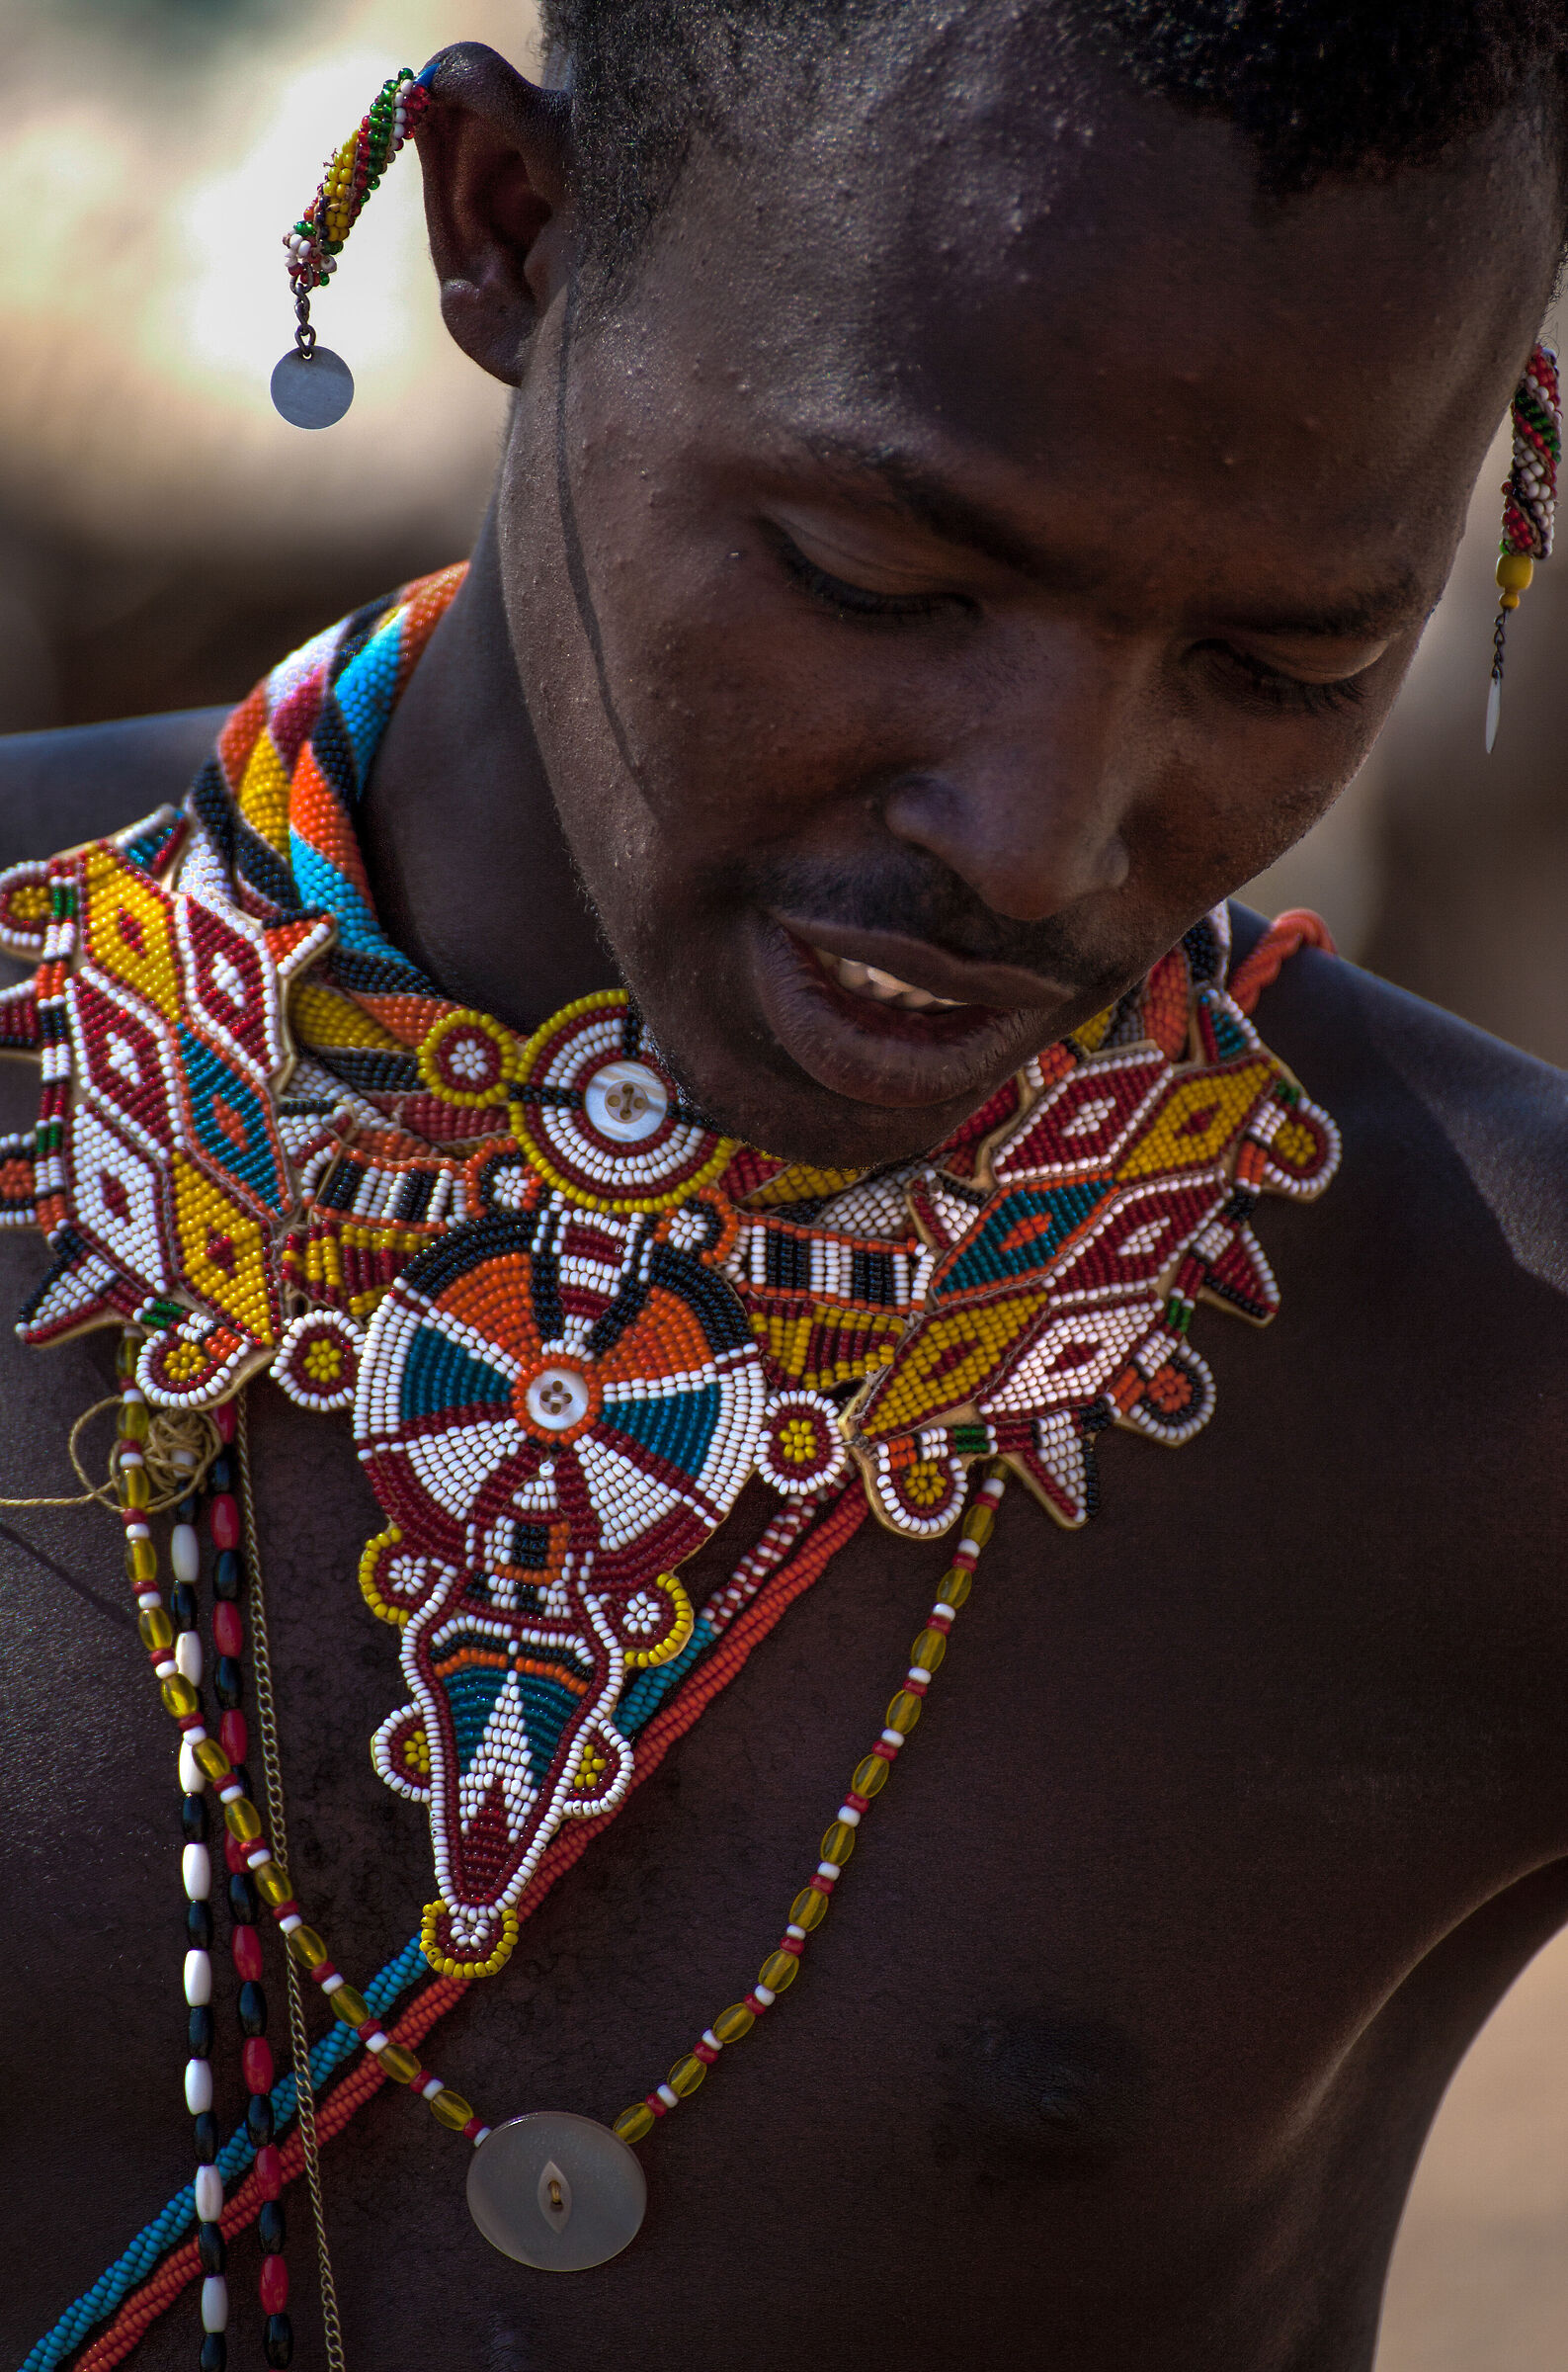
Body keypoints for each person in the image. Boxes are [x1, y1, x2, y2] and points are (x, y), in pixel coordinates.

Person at [4, 4, 1568, 2366]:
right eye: (874, 575)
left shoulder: (1492, 1371)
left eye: (1278, 657)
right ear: (506, 229)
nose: (1031, 834)